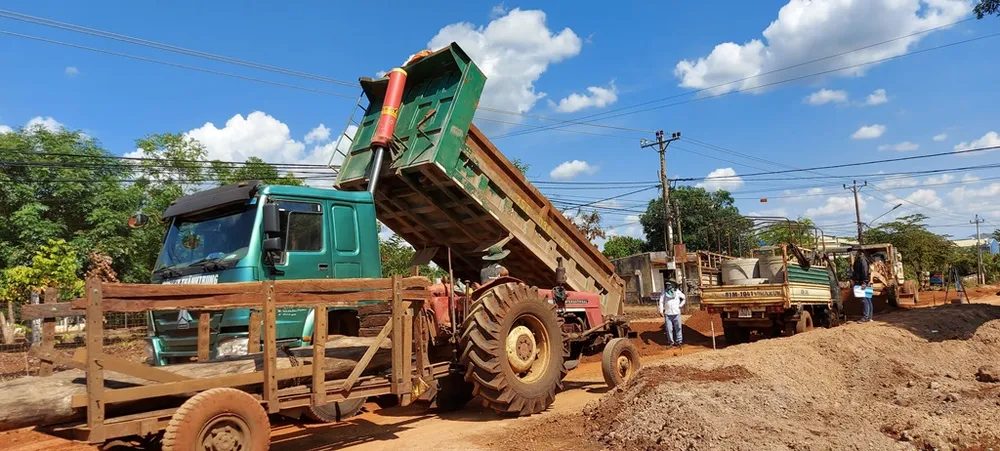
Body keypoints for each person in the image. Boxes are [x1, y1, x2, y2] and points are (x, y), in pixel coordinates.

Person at [658, 278, 686, 347]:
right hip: (668, 313)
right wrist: (661, 310)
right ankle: (671, 342)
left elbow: (684, 298)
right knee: (669, 328)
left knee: (678, 327)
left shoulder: (677, 292)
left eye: (669, 284)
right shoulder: (664, 292)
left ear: (673, 285)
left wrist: (680, 305)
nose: (668, 286)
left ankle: (679, 342)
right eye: (667, 284)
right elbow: (661, 301)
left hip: (676, 313)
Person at [851, 245, 873, 322]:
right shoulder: (862, 259)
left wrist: (864, 282)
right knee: (868, 299)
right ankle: (869, 317)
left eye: (853, 250)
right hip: (865, 281)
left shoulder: (861, 260)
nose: (852, 252)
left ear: (858, 251)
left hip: (862, 282)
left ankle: (865, 317)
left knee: (864, 300)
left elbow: (864, 271)